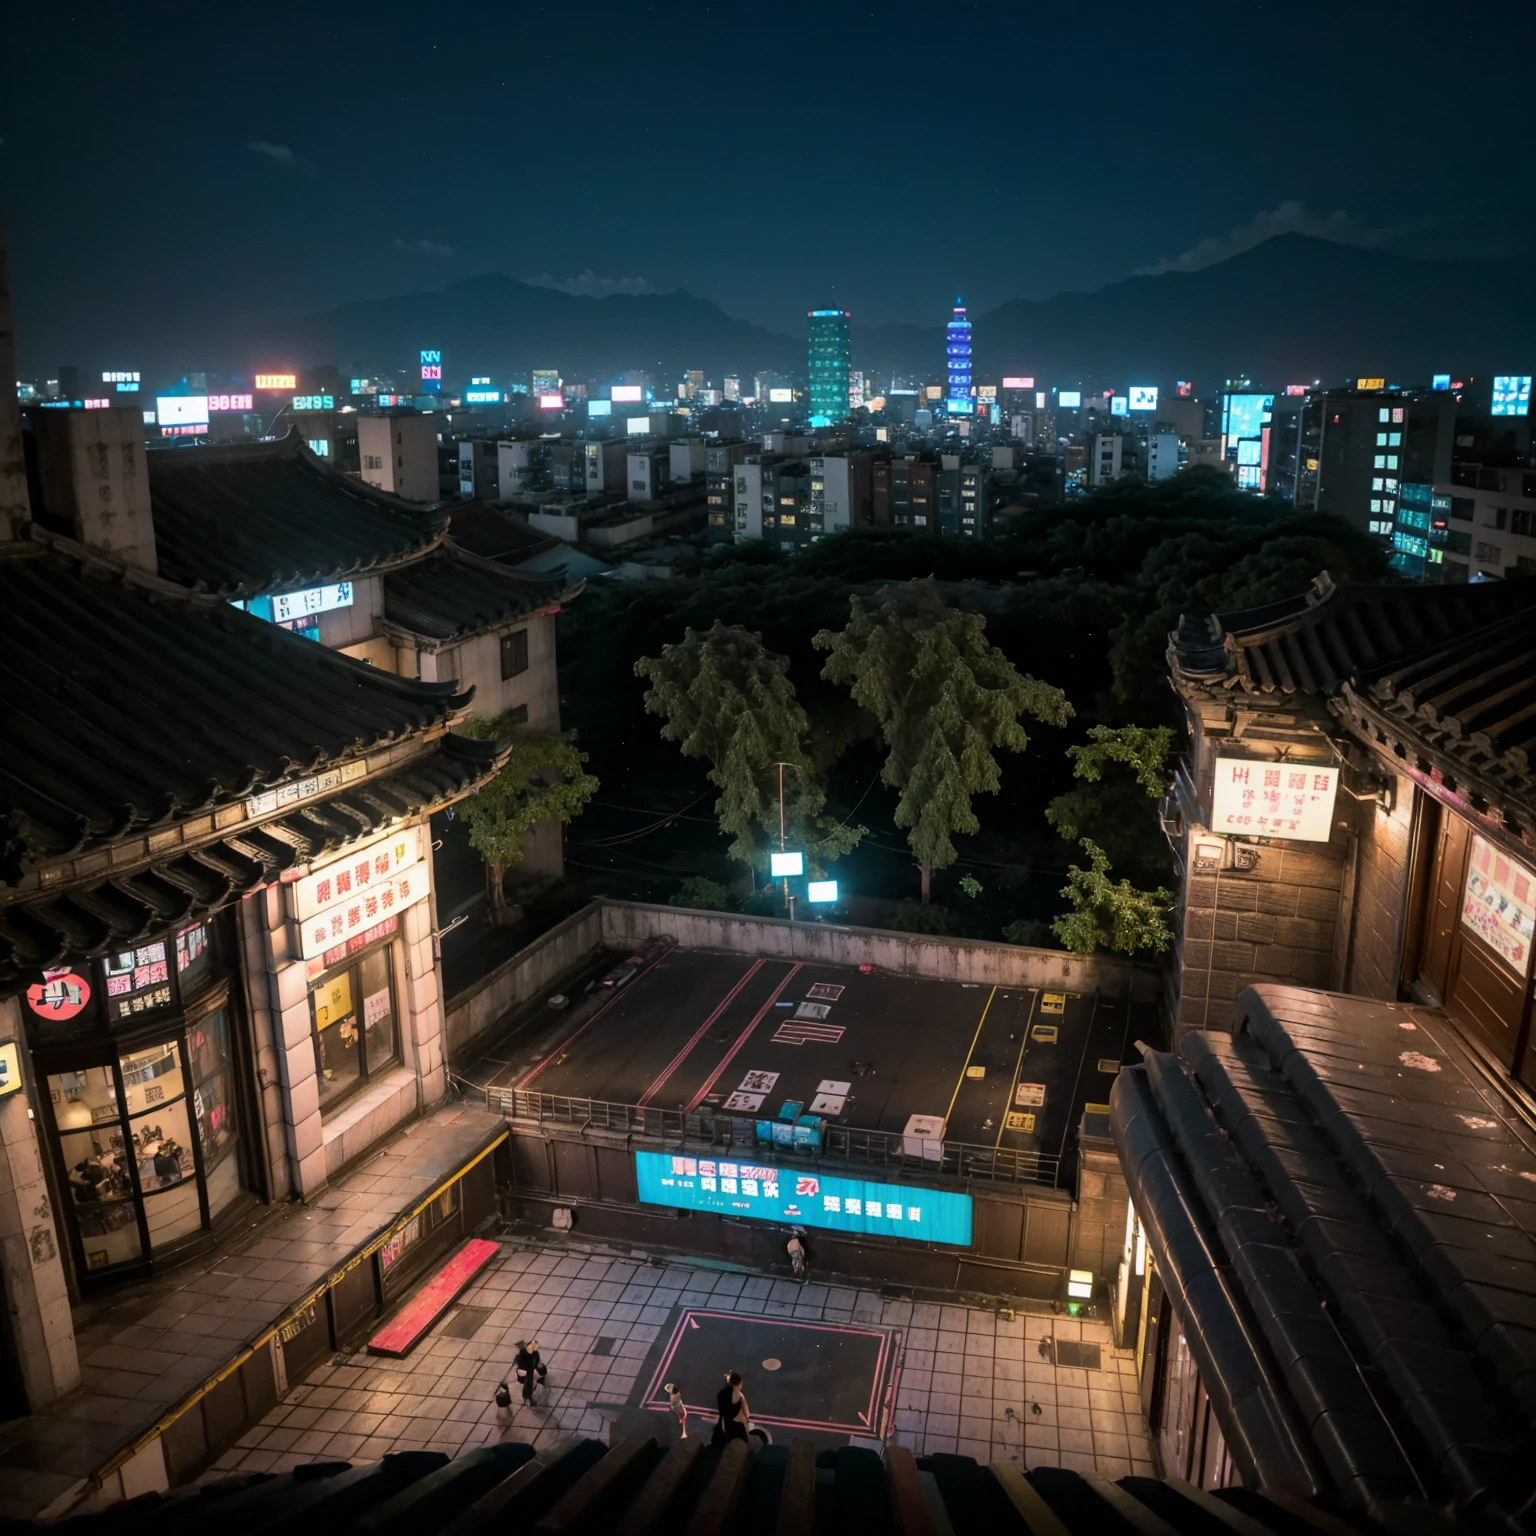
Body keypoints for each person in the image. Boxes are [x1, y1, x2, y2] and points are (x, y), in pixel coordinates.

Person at [713, 1370, 748, 1446]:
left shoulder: (721, 1395)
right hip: (737, 1429)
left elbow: (721, 1410)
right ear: (739, 1383)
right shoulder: (741, 1397)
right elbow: (747, 1414)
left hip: (724, 1426)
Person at [515, 1339, 548, 1405]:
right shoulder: (523, 1352)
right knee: (528, 1384)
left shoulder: (535, 1352)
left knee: (540, 1370)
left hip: (532, 1366)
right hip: (527, 1369)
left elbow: (537, 1359)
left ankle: (530, 1396)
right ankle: (529, 1398)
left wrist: (539, 1365)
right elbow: (521, 1362)